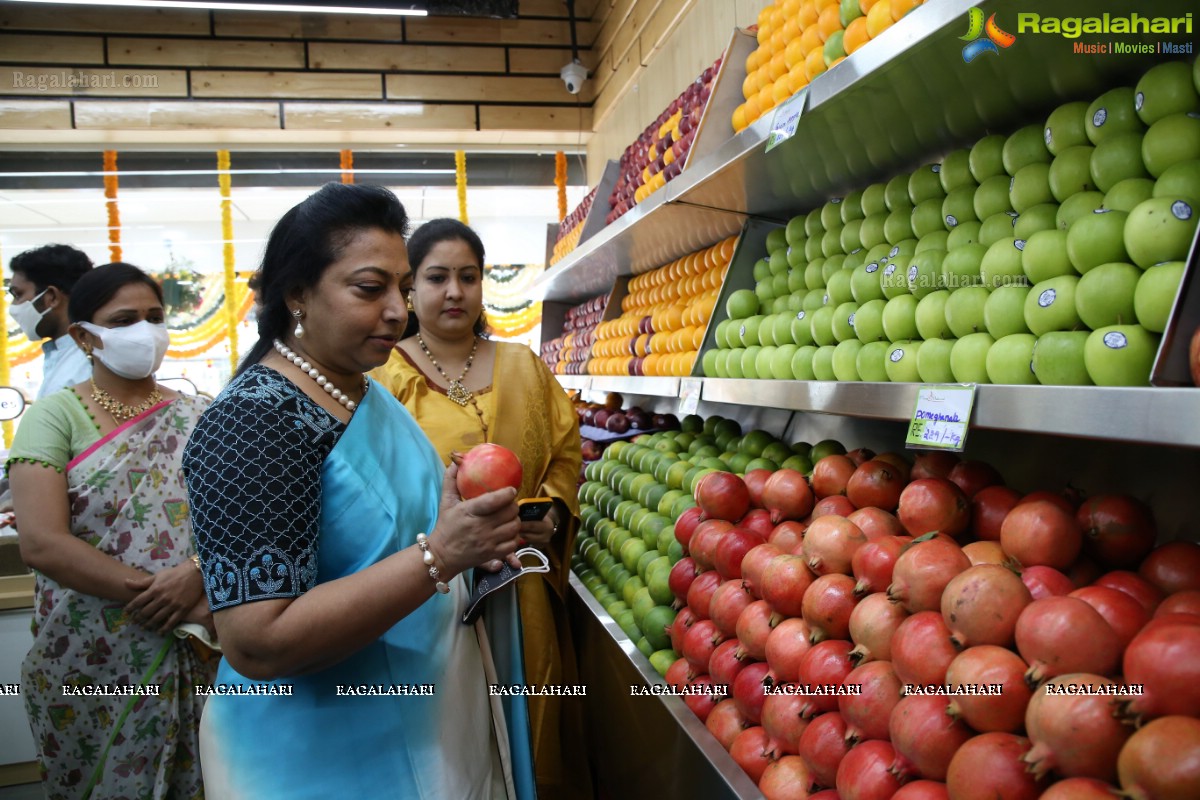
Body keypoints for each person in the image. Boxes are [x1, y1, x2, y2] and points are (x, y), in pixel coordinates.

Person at [182, 182, 536, 799]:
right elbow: (258, 641)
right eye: (370, 289)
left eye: (401, 289)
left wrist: (463, 533)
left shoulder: (362, 390)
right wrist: (440, 556)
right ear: (296, 293)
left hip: (425, 716)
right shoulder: (255, 422)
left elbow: (394, 535)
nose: (398, 311)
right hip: (322, 755)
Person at [371, 218, 592, 800]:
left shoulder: (523, 365)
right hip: (431, 591)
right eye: (437, 277)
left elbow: (566, 455)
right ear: (410, 288)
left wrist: (552, 514)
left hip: (523, 586)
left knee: (532, 719)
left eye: (468, 277)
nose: (454, 292)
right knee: (451, 735)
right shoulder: (382, 379)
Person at [6, 262, 215, 800]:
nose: (144, 332)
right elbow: (42, 544)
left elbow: (236, 523)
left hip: (201, 648)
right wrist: (174, 601)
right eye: (123, 321)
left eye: (154, 317)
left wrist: (194, 576)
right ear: (84, 336)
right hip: (87, 661)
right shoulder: (55, 417)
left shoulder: (202, 415)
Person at [8, 244, 94, 398]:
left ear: (52, 297)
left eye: (18, 295)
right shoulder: (62, 354)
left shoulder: (89, 363)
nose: (13, 307)